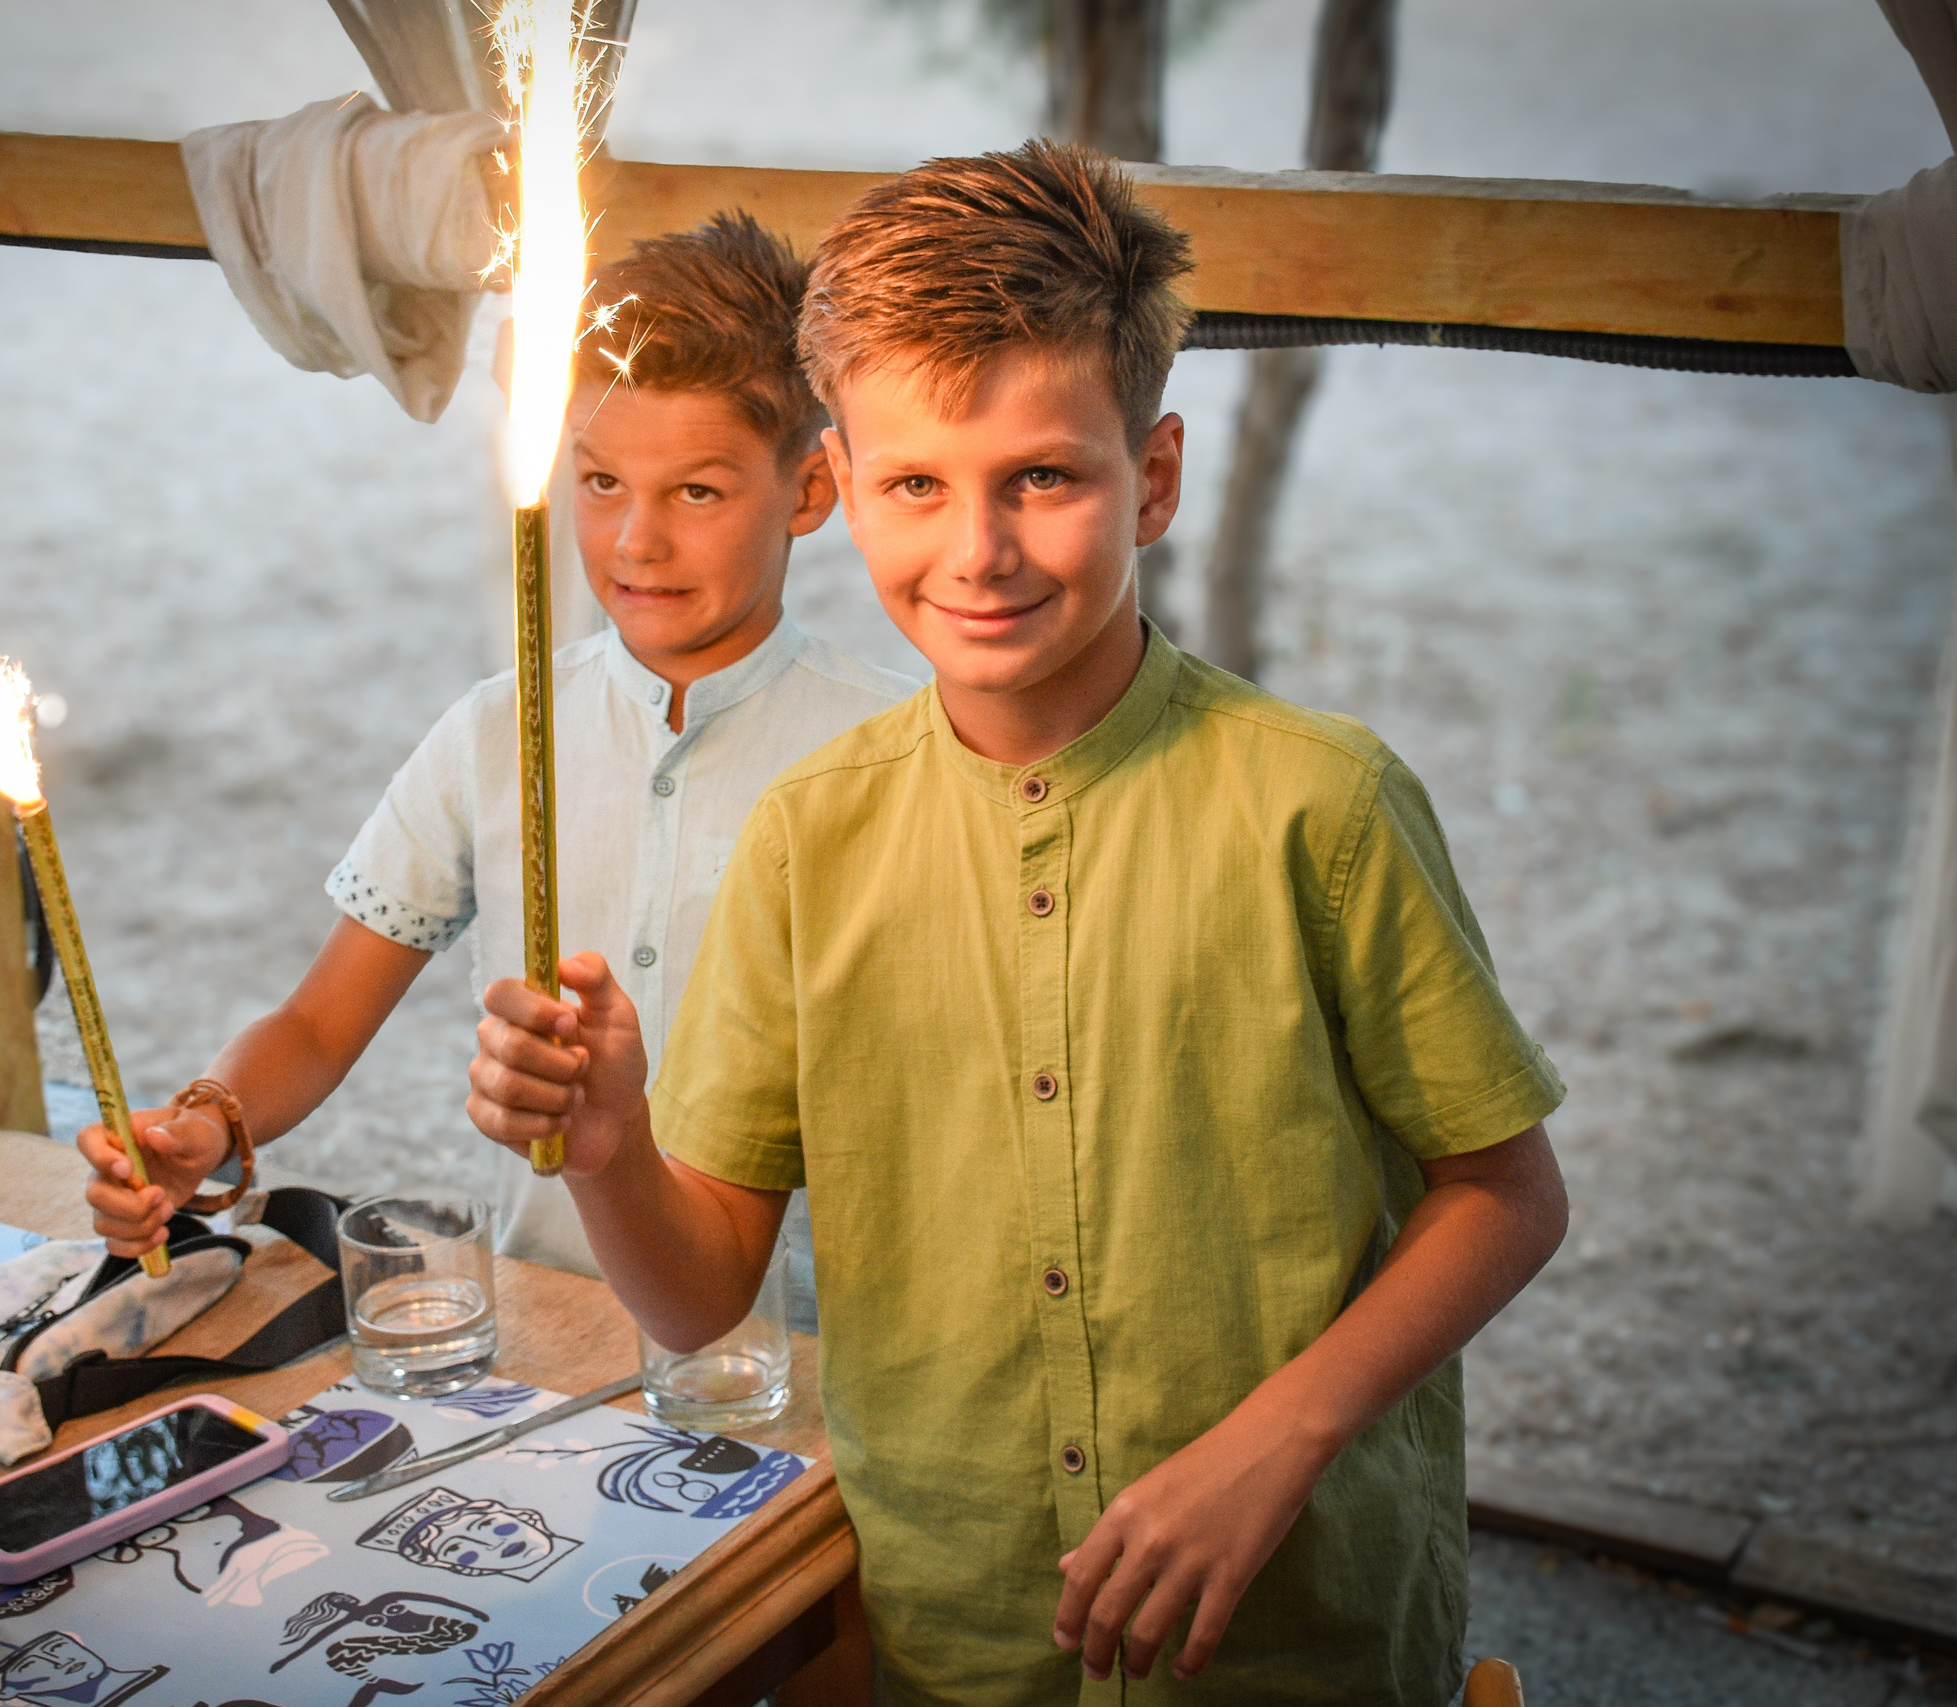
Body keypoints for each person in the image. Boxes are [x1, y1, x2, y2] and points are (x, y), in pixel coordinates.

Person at [464, 142, 1571, 1704]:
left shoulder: (1320, 804)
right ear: (840, 484)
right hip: (956, 1640)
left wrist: (1281, 1434)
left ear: (1157, 475)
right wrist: (611, 1145)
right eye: (917, 483)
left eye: (1042, 477)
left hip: (1295, 1635)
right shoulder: (811, 838)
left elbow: (1508, 1194)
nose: (976, 551)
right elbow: (703, 1290)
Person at [80, 213, 914, 1306]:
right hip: (541, 1312)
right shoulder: (495, 731)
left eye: (697, 492)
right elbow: (319, 1023)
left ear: (809, 491)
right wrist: (202, 1127)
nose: (634, 541)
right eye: (600, 481)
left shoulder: (897, 753)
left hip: (808, 1341)